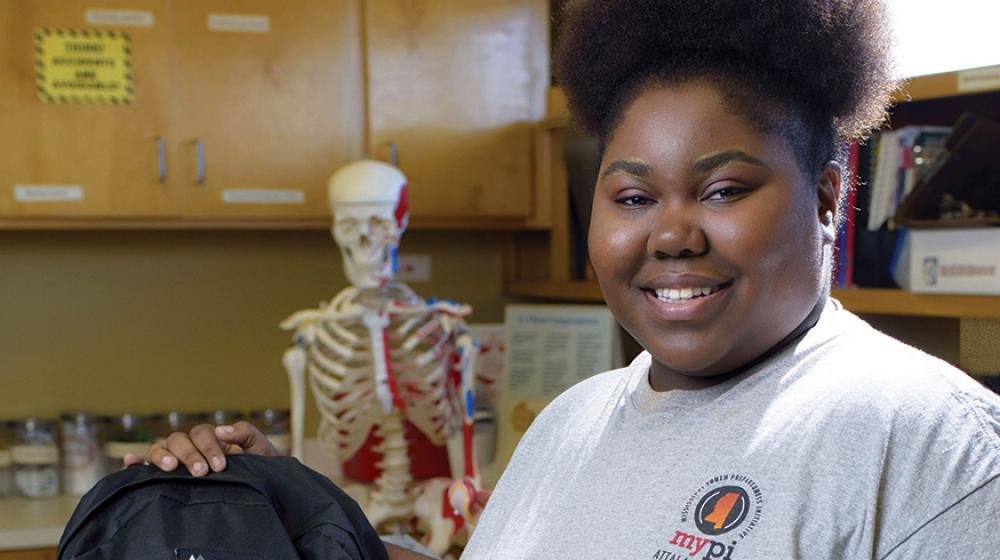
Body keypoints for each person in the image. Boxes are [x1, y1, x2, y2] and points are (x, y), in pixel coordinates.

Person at [130, 0, 1000, 558]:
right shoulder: (569, 424)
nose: (669, 234)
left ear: (826, 194)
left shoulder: (938, 449)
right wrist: (300, 515)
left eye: (724, 189)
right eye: (631, 194)